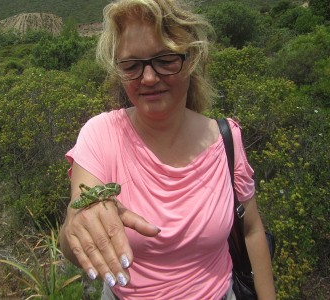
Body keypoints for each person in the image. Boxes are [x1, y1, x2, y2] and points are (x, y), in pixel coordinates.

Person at [59, 0, 276, 299]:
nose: (148, 78)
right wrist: (78, 222)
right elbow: (75, 227)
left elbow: (251, 231)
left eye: (165, 59)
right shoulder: (100, 134)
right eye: (132, 65)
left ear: (192, 58)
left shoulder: (227, 139)